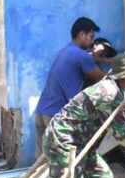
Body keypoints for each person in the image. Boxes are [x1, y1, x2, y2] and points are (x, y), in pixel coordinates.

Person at [42, 53, 125, 178]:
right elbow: (123, 134)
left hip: (83, 142)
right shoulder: (109, 94)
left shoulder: (114, 90)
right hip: (64, 141)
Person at [35, 17, 106, 157]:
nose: (92, 42)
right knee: (64, 162)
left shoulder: (64, 51)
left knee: (42, 162)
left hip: (41, 112)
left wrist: (96, 58)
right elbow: (103, 78)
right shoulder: (82, 56)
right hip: (56, 116)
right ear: (81, 34)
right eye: (91, 37)